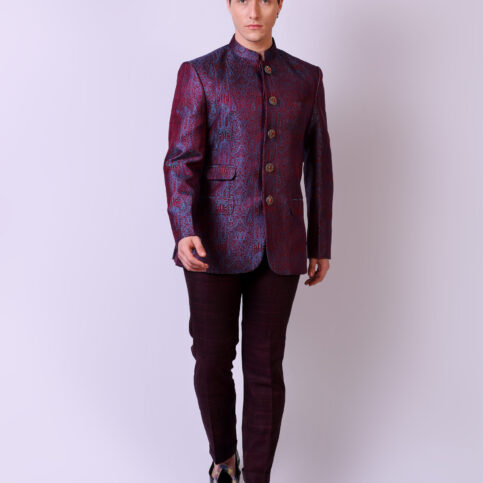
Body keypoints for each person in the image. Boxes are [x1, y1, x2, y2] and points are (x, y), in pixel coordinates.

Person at [163, 0, 333, 481]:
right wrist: (184, 228)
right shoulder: (200, 73)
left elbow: (319, 163)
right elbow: (181, 160)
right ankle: (224, 460)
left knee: (265, 369)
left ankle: (258, 477)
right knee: (212, 359)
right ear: (229, 5)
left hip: (282, 243)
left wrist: (319, 243)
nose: (253, 10)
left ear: (279, 6)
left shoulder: (306, 78)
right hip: (210, 244)